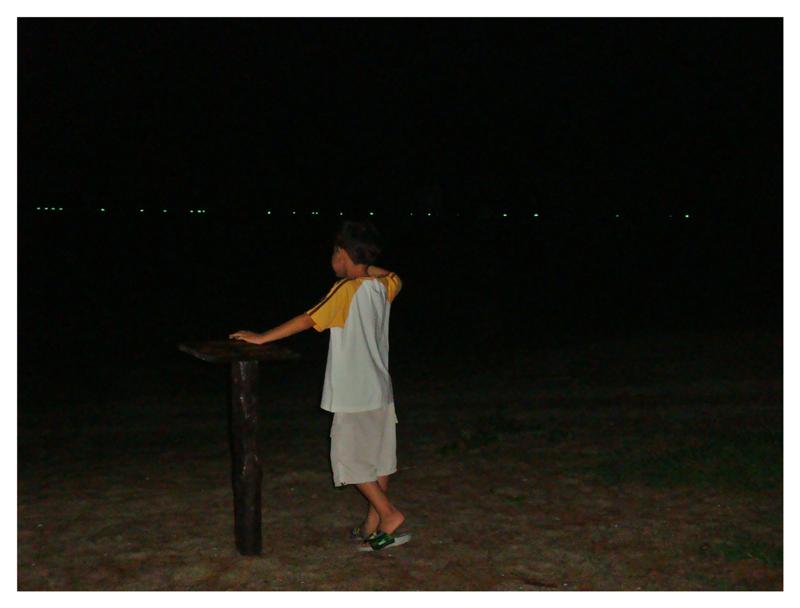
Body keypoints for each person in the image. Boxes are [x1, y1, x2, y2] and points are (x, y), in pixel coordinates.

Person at [229, 220, 410, 552]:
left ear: (342, 254)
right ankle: (373, 525)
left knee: (349, 461)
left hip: (354, 392)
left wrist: (261, 337)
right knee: (377, 461)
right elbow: (393, 275)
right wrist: (364, 263)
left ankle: (389, 514)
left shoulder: (345, 290)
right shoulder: (383, 286)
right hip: (380, 389)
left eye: (335, 253)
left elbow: (308, 319)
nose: (332, 260)